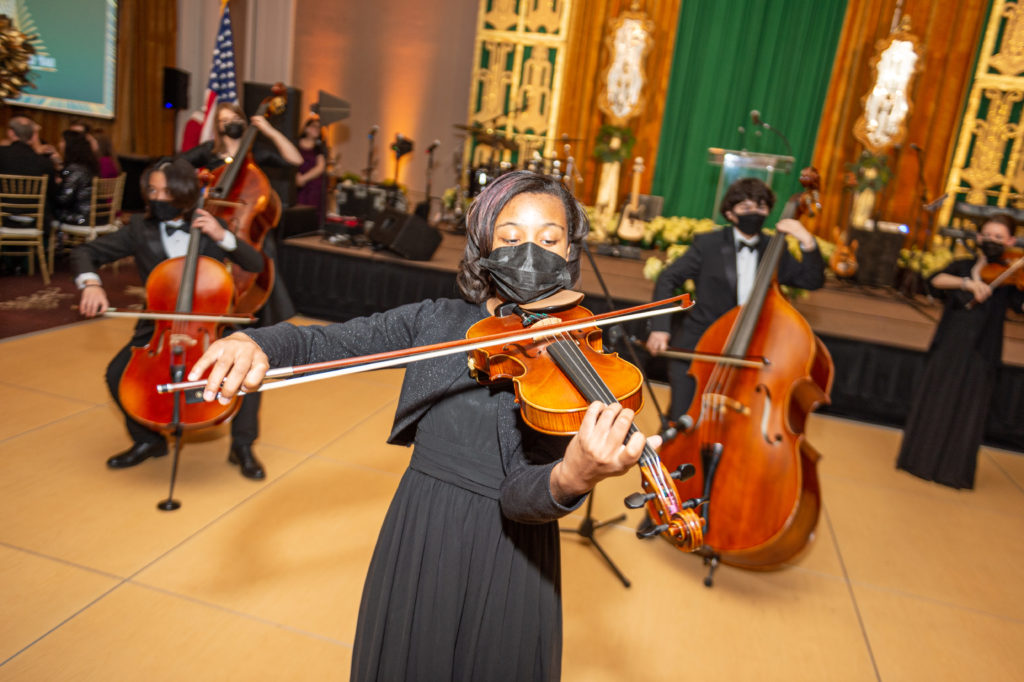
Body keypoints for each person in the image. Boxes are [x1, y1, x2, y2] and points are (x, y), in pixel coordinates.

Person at [186, 170, 657, 681]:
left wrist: (573, 476)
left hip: (511, 555)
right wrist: (257, 343)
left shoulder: (577, 353)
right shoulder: (437, 322)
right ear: (483, 246)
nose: (529, 253)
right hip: (424, 531)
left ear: (569, 250)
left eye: (548, 240)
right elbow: (328, 342)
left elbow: (519, 497)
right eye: (510, 237)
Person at [71, 158, 268, 479]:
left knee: (245, 372)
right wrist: (91, 284)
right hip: (158, 328)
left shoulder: (211, 224)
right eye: (152, 191)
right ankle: (148, 441)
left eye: (166, 191)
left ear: (185, 192)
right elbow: (85, 252)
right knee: (117, 374)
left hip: (210, 323)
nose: (158, 198)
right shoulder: (139, 228)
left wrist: (222, 236)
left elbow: (255, 263)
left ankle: (242, 446)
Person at [178, 101, 303, 478]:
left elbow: (295, 159)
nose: (229, 124)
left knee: (250, 358)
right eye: (223, 121)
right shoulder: (208, 154)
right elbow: (171, 170)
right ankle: (178, 414)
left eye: (234, 119)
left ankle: (243, 445)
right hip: (212, 254)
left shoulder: (257, 153)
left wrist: (267, 129)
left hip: (251, 260)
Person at [645, 177, 826, 422]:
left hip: (751, 351)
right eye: (746, 207)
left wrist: (807, 241)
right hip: (698, 347)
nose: (755, 212)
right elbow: (668, 278)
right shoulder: (708, 244)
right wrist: (660, 328)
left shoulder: (774, 249)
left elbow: (811, 281)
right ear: (730, 213)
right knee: (682, 418)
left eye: (761, 207)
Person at [896, 214, 1024, 488]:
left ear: (1011, 242)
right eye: (987, 235)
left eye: (999, 237)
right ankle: (918, 462)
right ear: (978, 238)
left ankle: (951, 472)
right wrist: (966, 283)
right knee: (935, 401)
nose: (991, 240)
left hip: (983, 351)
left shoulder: (1011, 274)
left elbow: (1020, 305)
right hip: (949, 345)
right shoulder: (962, 266)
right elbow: (935, 280)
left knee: (969, 410)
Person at [53, 130, 100, 226]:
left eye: (62, 141)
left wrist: (55, 185)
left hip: (80, 217)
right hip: (95, 216)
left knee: (47, 212)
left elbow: (63, 199)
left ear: (70, 145)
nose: (59, 145)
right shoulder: (87, 166)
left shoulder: (75, 169)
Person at [294, 117, 327, 221]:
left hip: (313, 185)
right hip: (296, 183)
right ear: (306, 128)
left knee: (311, 214)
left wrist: (303, 179)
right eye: (314, 126)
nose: (317, 129)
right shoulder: (295, 144)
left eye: (319, 127)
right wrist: (296, 176)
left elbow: (320, 167)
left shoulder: (319, 148)